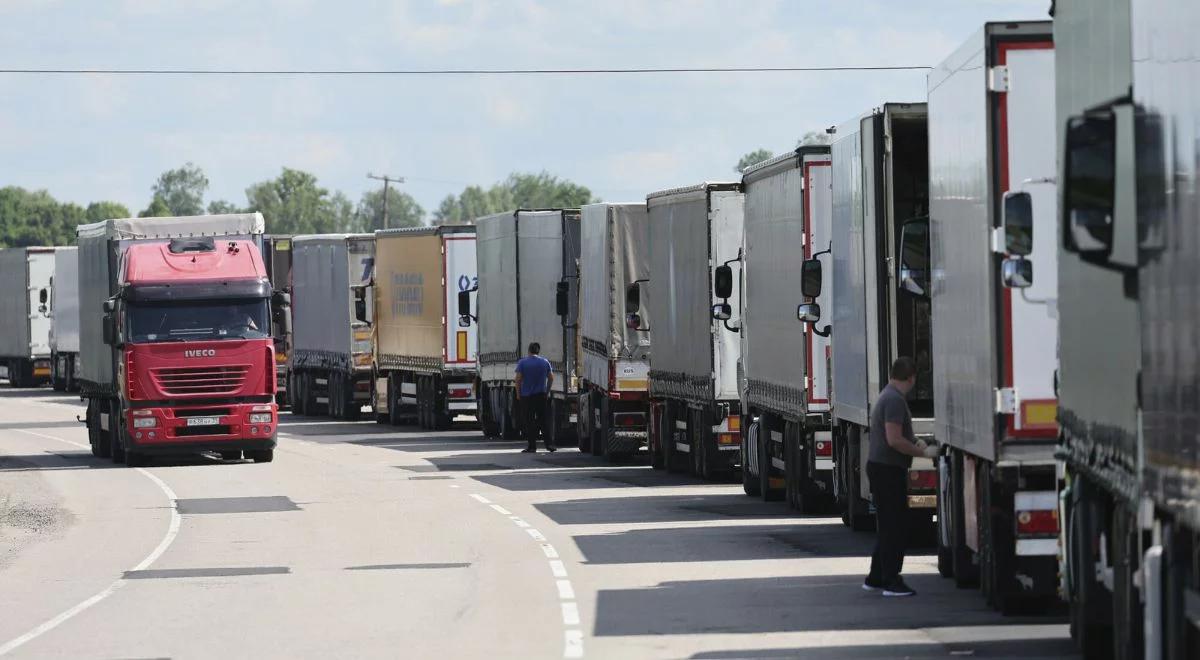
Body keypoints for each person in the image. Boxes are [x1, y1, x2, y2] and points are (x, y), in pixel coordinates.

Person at [863, 356, 939, 597]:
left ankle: (875, 578)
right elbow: (894, 440)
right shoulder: (895, 400)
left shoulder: (888, 395)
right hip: (887, 470)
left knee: (888, 525)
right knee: (895, 528)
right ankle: (891, 581)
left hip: (881, 467)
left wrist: (914, 440)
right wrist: (923, 452)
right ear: (911, 378)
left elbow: (897, 435)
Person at [514, 342, 555, 453]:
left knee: (529, 421)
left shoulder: (522, 363)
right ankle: (549, 445)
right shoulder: (544, 362)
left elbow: (518, 380)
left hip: (526, 396)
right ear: (538, 351)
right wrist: (547, 391)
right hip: (541, 395)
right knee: (543, 420)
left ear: (529, 351)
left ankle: (532, 446)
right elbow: (551, 377)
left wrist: (518, 394)